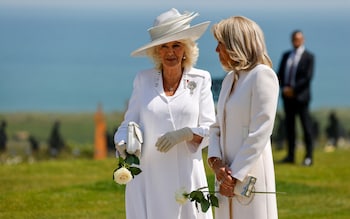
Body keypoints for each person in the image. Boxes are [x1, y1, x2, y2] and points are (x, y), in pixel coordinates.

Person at [114, 8, 215, 219]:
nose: (170, 52)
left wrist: (186, 133)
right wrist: (122, 144)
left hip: (186, 174)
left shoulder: (201, 79)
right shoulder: (143, 80)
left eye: (176, 45)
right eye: (164, 46)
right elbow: (127, 124)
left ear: (186, 48)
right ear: (156, 51)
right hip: (149, 175)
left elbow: (211, 129)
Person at [207, 16, 279, 219]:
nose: (216, 50)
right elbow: (216, 127)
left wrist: (235, 175)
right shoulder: (231, 79)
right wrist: (216, 162)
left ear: (234, 45)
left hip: (249, 176)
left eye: (220, 44)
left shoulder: (262, 75)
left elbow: (261, 130)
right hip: (224, 178)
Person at [277, 30, 315, 166]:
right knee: (290, 127)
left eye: (299, 39)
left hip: (301, 98)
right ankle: (290, 155)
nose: (296, 41)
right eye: (294, 39)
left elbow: (307, 77)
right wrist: (282, 89)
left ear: (303, 40)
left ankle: (309, 157)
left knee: (306, 127)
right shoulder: (286, 55)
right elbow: (280, 74)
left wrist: (293, 90)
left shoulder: (309, 57)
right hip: (287, 98)